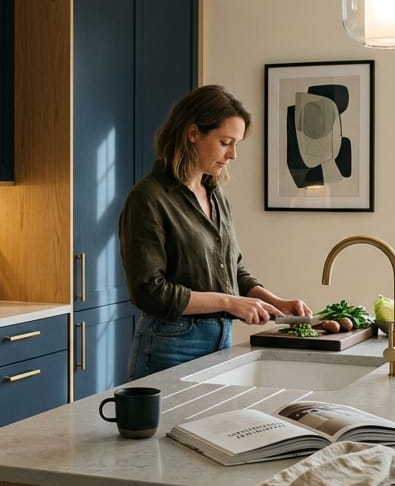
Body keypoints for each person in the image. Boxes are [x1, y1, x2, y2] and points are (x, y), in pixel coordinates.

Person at [120, 84, 311, 379]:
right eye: (225, 142)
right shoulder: (148, 198)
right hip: (168, 345)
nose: (233, 154)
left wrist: (276, 302)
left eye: (236, 144)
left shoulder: (215, 194)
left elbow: (232, 270)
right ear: (193, 133)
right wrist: (229, 302)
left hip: (220, 339)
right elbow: (149, 291)